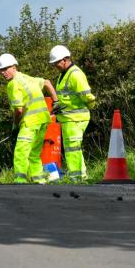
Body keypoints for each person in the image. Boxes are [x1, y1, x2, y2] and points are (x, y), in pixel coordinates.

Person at [0, 53, 59, 184]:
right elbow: (47, 82)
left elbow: (19, 109)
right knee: (34, 154)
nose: (3, 72)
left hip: (30, 123)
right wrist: (55, 101)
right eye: (1, 70)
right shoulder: (28, 78)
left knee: (20, 153)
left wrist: (15, 126)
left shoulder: (13, 84)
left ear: (14, 67)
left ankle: (20, 181)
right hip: (43, 121)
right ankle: (39, 181)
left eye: (6, 68)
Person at [48, 45, 97, 181]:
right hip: (69, 118)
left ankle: (77, 178)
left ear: (64, 60)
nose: (55, 66)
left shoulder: (75, 74)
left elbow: (87, 96)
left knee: (72, 148)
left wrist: (92, 104)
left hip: (76, 118)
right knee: (72, 148)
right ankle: (80, 176)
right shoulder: (63, 75)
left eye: (56, 63)